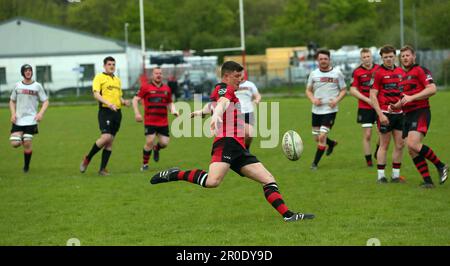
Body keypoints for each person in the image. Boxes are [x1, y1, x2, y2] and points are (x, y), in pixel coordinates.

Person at [150, 61, 314, 222]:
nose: (240, 79)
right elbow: (222, 103)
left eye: (241, 76)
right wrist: (216, 115)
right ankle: (174, 174)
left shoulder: (221, 90)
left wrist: (202, 111)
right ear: (227, 76)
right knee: (212, 181)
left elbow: (214, 104)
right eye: (237, 76)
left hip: (239, 147)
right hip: (227, 143)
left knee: (268, 179)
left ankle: (288, 215)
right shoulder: (224, 88)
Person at [393, 45, 448, 188]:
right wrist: (396, 105)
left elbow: (432, 89)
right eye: (403, 56)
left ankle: (441, 165)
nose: (405, 58)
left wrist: (412, 98)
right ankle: (428, 182)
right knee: (411, 150)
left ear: (414, 56)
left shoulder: (421, 70)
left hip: (420, 111)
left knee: (413, 144)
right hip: (407, 115)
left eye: (407, 55)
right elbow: (406, 97)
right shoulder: (402, 75)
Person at [79, 56, 130, 176]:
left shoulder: (117, 80)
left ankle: (102, 169)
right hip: (105, 111)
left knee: (110, 142)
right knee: (106, 137)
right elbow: (96, 94)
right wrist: (108, 103)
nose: (112, 66)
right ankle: (88, 158)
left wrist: (124, 102)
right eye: (109, 64)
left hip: (117, 113)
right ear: (104, 66)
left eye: (113, 64)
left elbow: (118, 96)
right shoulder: (99, 77)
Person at [305, 49, 347, 170]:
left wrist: (336, 100)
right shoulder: (313, 74)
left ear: (329, 60)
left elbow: (344, 90)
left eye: (325, 59)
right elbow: (308, 90)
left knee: (322, 136)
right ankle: (331, 143)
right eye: (321, 59)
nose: (323, 61)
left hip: (330, 110)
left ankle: (314, 164)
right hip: (316, 110)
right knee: (316, 138)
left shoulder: (337, 73)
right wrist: (313, 100)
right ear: (317, 60)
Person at [369, 45, 405, 184]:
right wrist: (380, 115)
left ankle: (396, 176)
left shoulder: (401, 71)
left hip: (400, 113)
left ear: (394, 56)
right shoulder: (377, 73)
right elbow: (373, 95)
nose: (388, 59)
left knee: (400, 144)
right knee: (384, 145)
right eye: (385, 57)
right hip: (385, 113)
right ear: (381, 58)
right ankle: (381, 177)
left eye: (390, 56)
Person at [132, 67, 179, 171]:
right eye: (156, 73)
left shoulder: (167, 89)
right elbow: (135, 100)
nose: (158, 75)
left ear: (162, 75)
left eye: (160, 73)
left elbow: (169, 102)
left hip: (163, 122)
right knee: (150, 141)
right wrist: (137, 113)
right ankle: (145, 165)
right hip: (150, 121)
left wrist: (173, 110)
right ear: (152, 75)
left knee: (164, 143)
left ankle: (156, 148)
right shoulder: (145, 87)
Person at [9, 64, 49, 173]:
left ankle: (26, 167)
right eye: (26, 71)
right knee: (15, 144)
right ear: (23, 73)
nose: (28, 72)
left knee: (27, 143)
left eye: (30, 70)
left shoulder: (37, 86)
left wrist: (40, 113)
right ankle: (22, 138)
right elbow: (12, 101)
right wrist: (13, 114)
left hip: (31, 120)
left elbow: (45, 101)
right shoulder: (17, 86)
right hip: (18, 119)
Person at [350, 48, 380, 167]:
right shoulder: (357, 72)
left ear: (372, 57)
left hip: (379, 106)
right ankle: (369, 162)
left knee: (382, 133)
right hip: (364, 107)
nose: (366, 59)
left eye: (368, 56)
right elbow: (352, 90)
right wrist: (368, 100)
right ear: (361, 59)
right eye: (364, 57)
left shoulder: (379, 69)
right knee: (367, 135)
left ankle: (378, 151)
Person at [235, 74, 261, 150]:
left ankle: (246, 149)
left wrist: (257, 100)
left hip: (249, 112)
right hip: (236, 112)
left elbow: (257, 95)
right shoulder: (233, 85)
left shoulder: (250, 84)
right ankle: (239, 151)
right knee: (237, 135)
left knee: (249, 134)